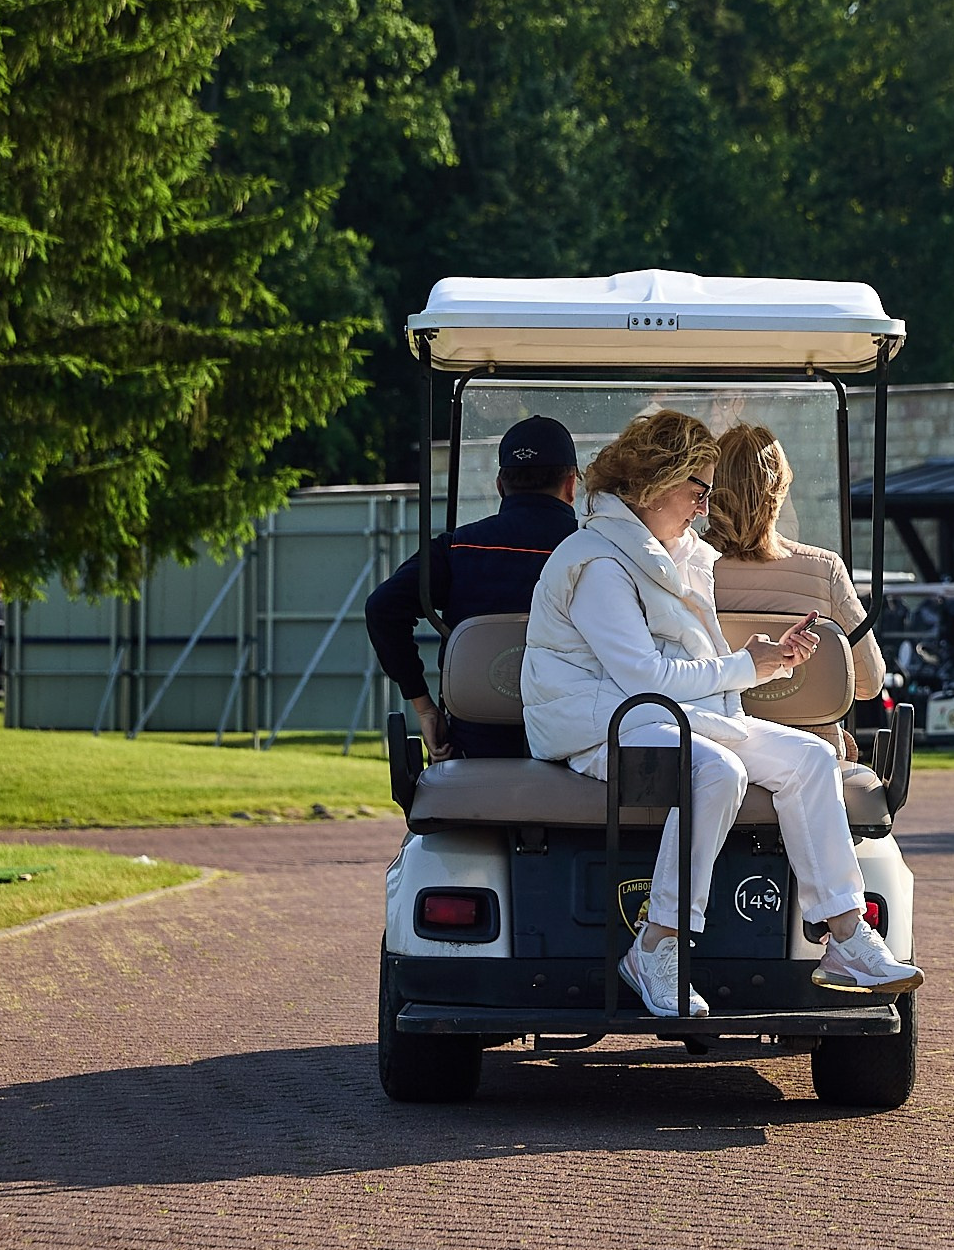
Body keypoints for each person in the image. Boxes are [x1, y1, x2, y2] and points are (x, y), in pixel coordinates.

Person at [518, 409, 922, 1019]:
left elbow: (687, 678)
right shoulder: (596, 561)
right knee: (718, 771)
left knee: (812, 757)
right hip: (595, 722)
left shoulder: (679, 556)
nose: (705, 509)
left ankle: (845, 939)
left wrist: (771, 661)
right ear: (658, 482)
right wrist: (747, 666)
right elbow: (644, 680)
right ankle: (656, 945)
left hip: (659, 715)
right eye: (697, 491)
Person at [364, 415, 579, 762]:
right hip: (574, 750)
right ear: (571, 485)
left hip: (473, 751)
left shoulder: (457, 549)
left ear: (499, 485)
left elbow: (382, 607)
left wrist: (425, 707)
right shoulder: (593, 554)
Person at [702, 423, 886, 758]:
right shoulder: (825, 570)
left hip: (714, 747)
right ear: (780, 490)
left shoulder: (685, 566)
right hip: (812, 751)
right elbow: (869, 683)